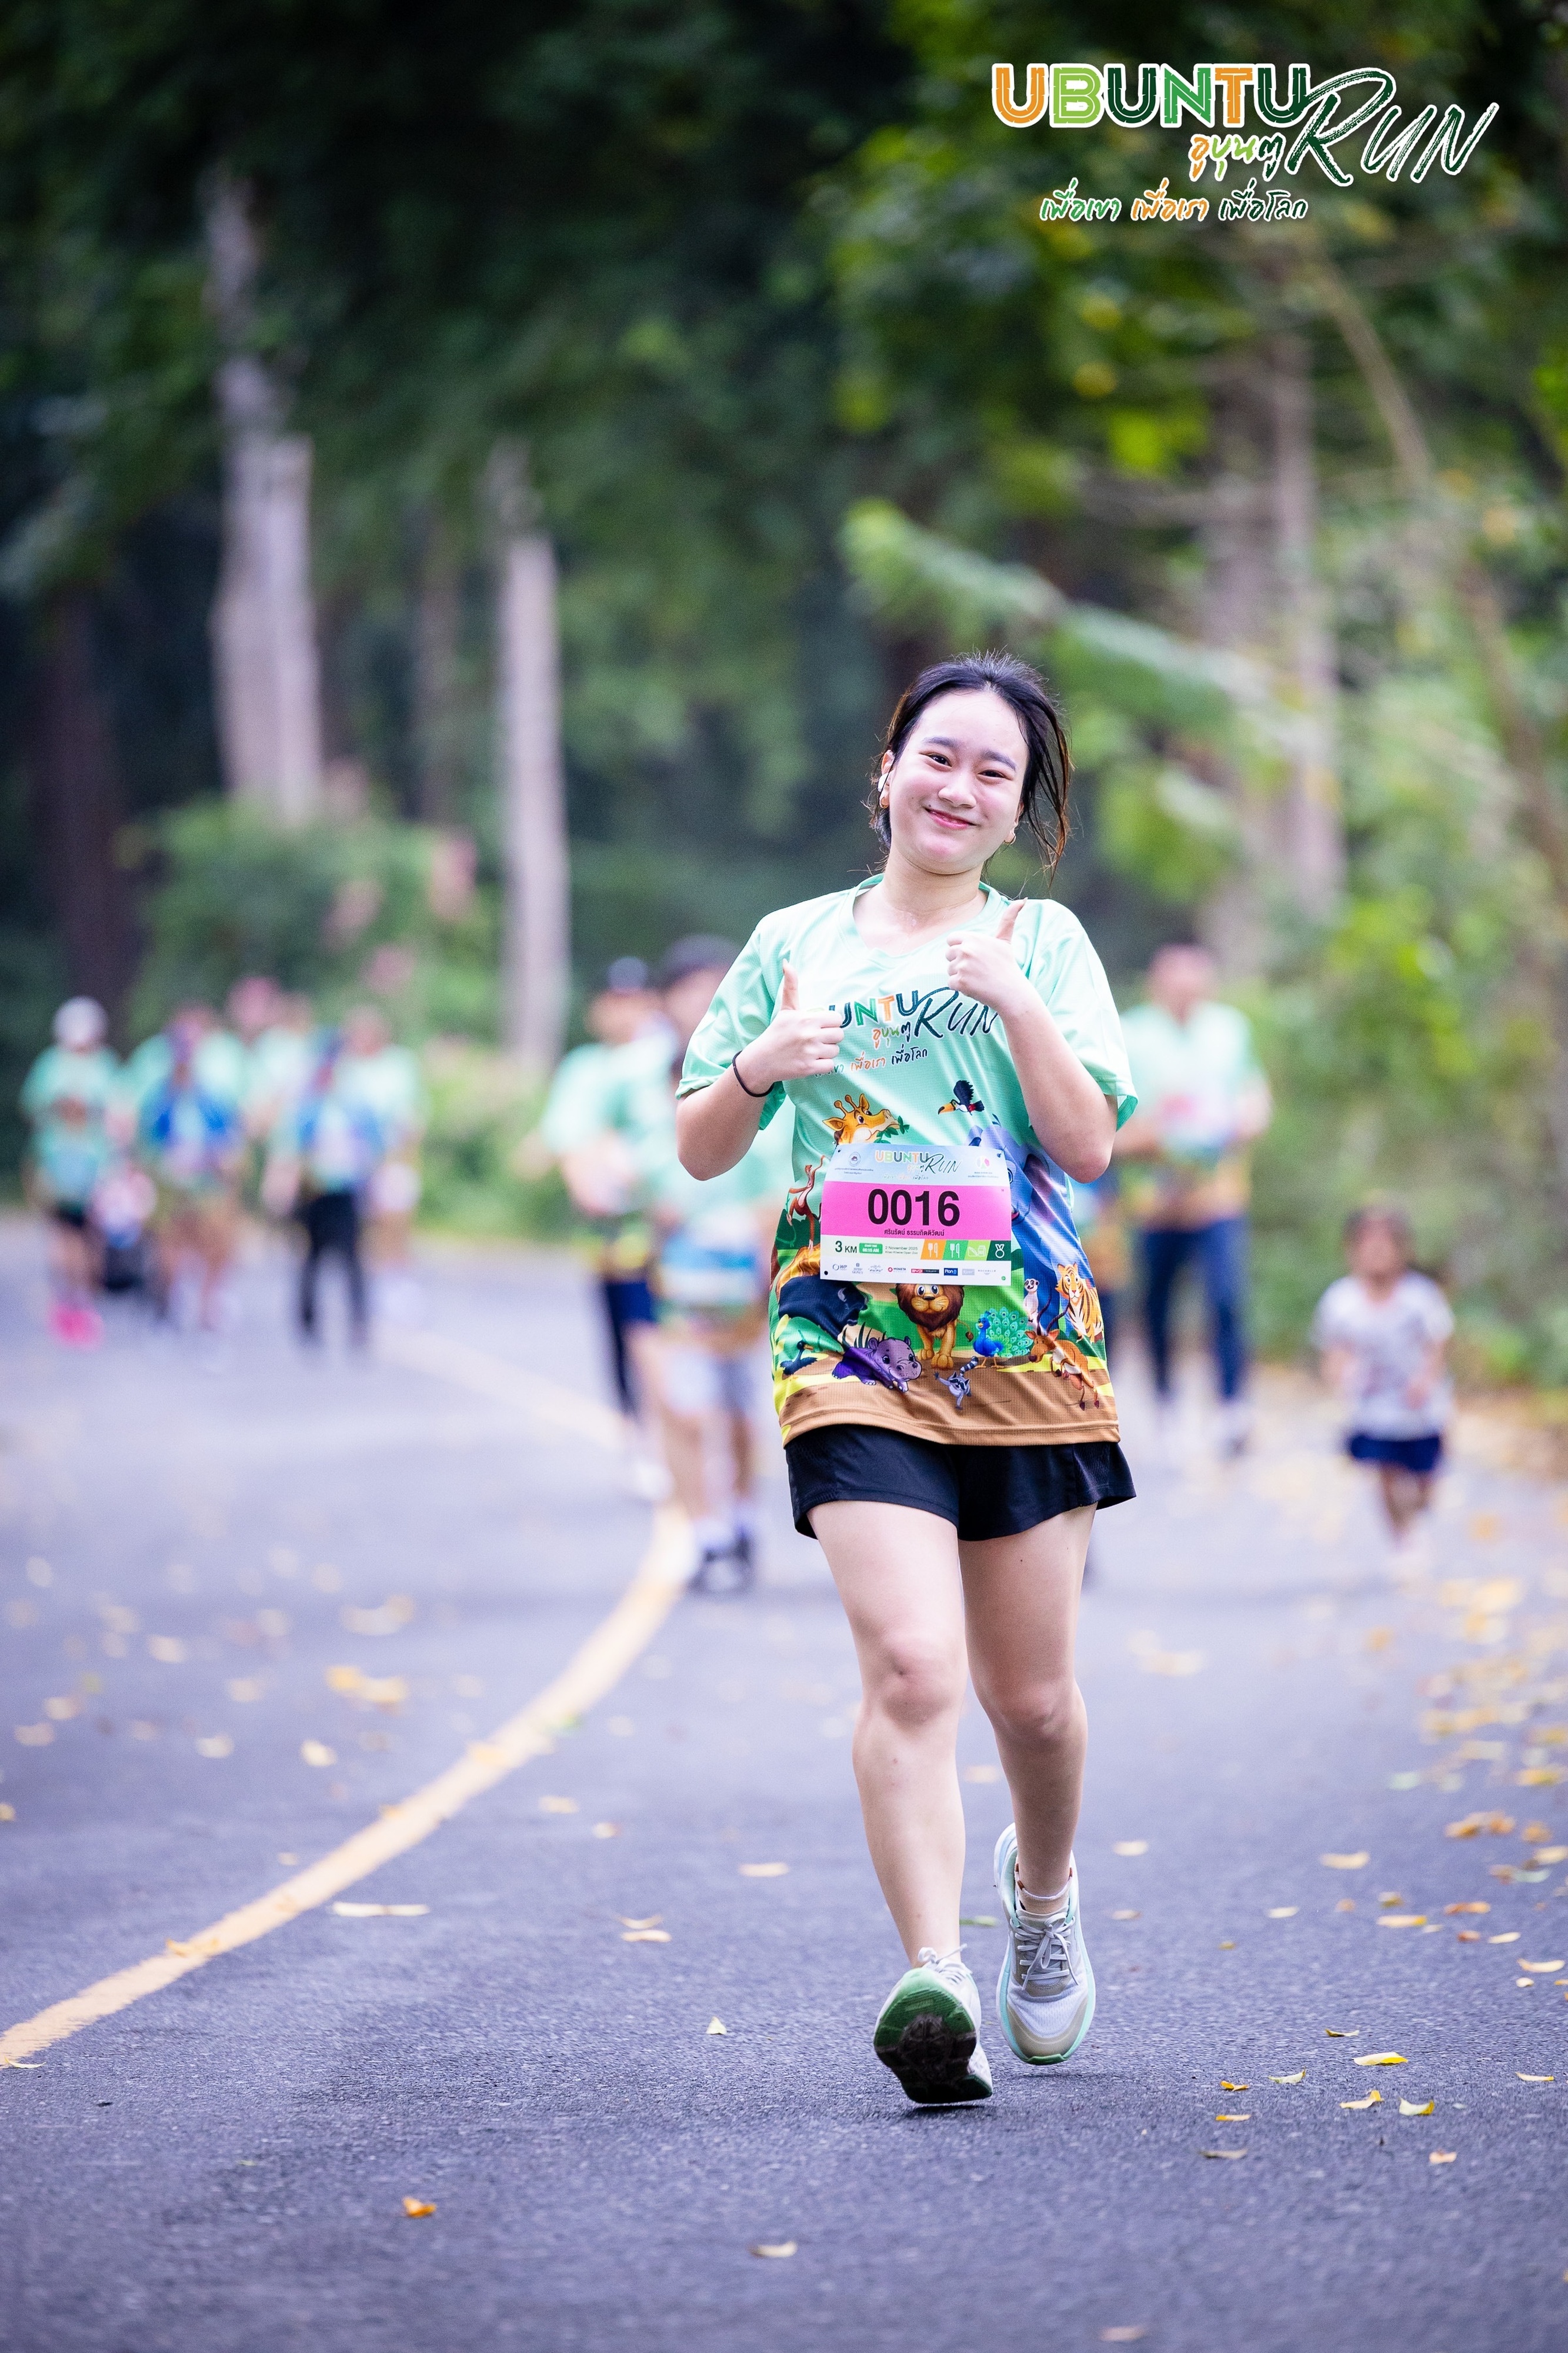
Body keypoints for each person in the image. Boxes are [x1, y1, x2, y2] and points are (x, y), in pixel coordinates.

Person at [675, 650, 1136, 2107]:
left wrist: (1016, 1004)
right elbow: (697, 1144)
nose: (958, 787)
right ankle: (934, 1975)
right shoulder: (792, 940)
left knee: (1032, 1701)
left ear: (1018, 811)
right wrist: (758, 1065)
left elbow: (1088, 1145)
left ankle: (1042, 1899)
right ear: (885, 772)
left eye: (994, 772)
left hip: (1023, 1344)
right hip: (847, 1343)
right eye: (937, 755)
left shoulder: (1041, 941)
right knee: (912, 1666)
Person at [635, 938, 792, 1592]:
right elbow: (599, 1151)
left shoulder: (761, 1068)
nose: (700, 1001)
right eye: (688, 988)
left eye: (713, 986)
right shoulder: (635, 1076)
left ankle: (741, 1517)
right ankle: (705, 1531)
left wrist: (761, 1253)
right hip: (656, 1267)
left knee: (735, 1405)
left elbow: (777, 1179)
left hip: (737, 1274)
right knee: (680, 1404)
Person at [1116, 942, 1271, 1454]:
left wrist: (1242, 1121)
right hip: (1155, 1201)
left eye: (1195, 982)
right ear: (1157, 983)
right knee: (1157, 1304)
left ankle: (1232, 1406)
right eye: (1176, 982)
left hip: (1218, 1194)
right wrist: (1154, 1136)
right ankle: (1165, 1402)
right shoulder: (1132, 1033)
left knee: (1226, 1297)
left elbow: (1255, 1096)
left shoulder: (1230, 1029)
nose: (1186, 992)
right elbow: (1113, 1114)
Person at [539, 958, 669, 1492]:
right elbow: (570, 1141)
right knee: (627, 1335)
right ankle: (643, 1438)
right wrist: (591, 1183)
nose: (624, 1011)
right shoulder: (585, 1069)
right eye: (614, 1001)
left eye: (634, 999)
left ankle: (678, 1439)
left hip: (677, 1225)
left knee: (672, 1335)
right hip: (617, 1230)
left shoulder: (671, 1054)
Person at [1313, 1205, 1452, 1554]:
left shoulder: (1420, 1297)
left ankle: (1418, 1512)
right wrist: (1339, 1376)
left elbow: (1437, 1343)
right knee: (1384, 1472)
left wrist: (1426, 1380)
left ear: (1402, 1250)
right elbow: (1334, 1349)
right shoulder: (1341, 1301)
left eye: (1384, 1244)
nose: (1375, 1253)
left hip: (1420, 1407)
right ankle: (1402, 1538)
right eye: (1366, 1244)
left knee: (1425, 1477)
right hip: (1374, 1405)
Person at [118, 1008, 246, 1331]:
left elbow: (230, 1142)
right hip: (170, 1184)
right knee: (168, 1249)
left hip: (206, 1184)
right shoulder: (159, 1100)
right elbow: (144, 1145)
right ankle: (168, 1307)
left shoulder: (211, 1099)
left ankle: (207, 1310)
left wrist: (222, 1163)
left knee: (217, 1247)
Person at [264, 1028, 385, 1348]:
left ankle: (358, 1322)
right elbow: (288, 1149)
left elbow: (373, 1148)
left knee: (352, 1260)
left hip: (345, 1190)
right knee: (311, 1258)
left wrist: (372, 1188)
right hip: (312, 1192)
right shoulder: (305, 1105)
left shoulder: (354, 1104)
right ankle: (308, 1323)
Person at [19, 998, 119, 1345]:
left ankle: (76, 1303)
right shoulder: (73, 1066)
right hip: (67, 1163)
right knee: (70, 1237)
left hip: (86, 1164)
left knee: (78, 1237)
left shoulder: (60, 1065)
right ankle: (74, 1304)